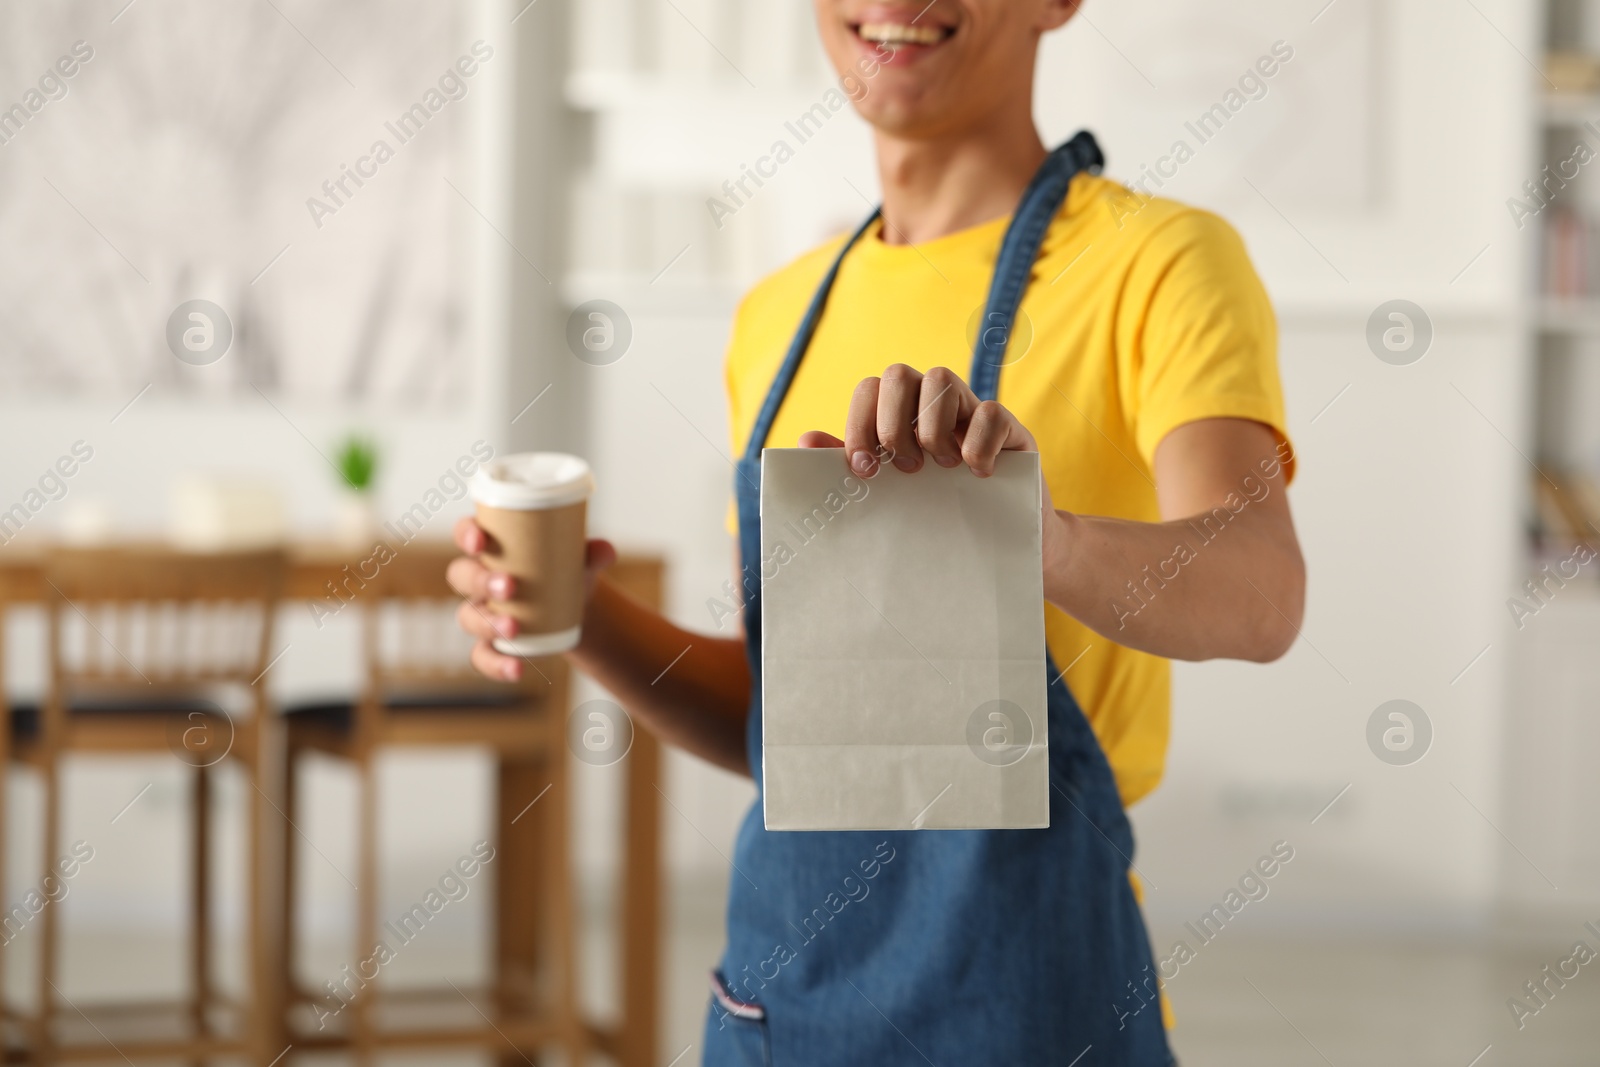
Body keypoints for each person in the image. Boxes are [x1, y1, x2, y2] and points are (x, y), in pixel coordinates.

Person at [450, 0, 1306, 1062]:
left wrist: (1043, 540)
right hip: (784, 1009)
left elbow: (1263, 589)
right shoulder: (774, 314)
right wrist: (584, 619)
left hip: (1036, 1013)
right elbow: (794, 723)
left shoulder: (1160, 262)